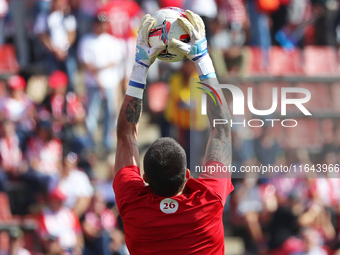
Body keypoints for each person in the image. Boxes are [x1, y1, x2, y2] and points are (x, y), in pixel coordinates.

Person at [113, 10, 233, 254]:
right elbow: (221, 129)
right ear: (188, 175)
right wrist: (202, 58)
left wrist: (139, 65)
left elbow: (125, 135)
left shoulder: (133, 205)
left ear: (144, 179)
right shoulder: (208, 202)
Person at [78, 14, 123, 151]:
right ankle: (90, 141)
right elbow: (85, 62)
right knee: (92, 113)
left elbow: (115, 61)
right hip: (92, 83)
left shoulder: (113, 41)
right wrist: (97, 74)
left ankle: (106, 141)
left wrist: (98, 69)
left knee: (110, 113)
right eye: (99, 23)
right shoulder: (86, 40)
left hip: (109, 83)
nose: (102, 26)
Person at [34, 0, 77, 88]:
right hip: (51, 54)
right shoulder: (44, 16)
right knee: (54, 79)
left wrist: (64, 49)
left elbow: (72, 34)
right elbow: (42, 35)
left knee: (71, 80)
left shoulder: (68, 17)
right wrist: (54, 50)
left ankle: (70, 96)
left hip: (66, 53)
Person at [37, 188, 84, 255]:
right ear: (51, 200)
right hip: (53, 251)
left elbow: (78, 234)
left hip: (71, 250)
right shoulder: (44, 215)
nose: (60, 202)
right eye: (57, 200)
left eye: (61, 200)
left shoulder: (70, 213)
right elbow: (43, 238)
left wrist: (78, 249)